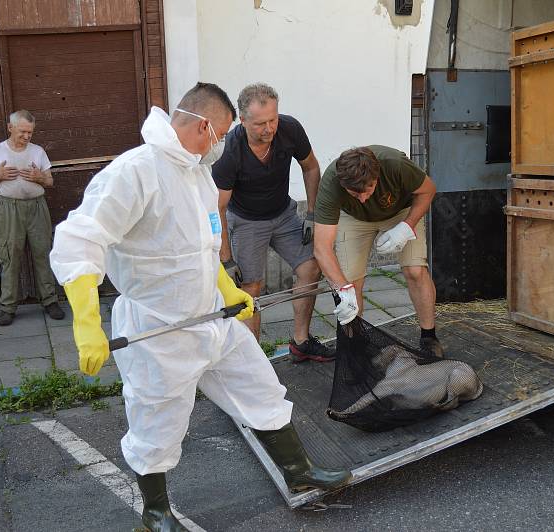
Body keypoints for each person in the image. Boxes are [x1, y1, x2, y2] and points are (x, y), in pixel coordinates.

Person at [49, 83, 350, 531]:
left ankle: (300, 472)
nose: (224, 144)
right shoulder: (134, 172)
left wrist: (230, 292)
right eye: (224, 133)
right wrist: (87, 322)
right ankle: (155, 515)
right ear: (205, 125)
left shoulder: (195, 174)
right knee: (157, 423)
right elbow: (79, 242)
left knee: (261, 389)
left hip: (213, 318)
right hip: (160, 328)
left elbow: (201, 249)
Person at [212, 83, 334, 363]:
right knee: (250, 289)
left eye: (273, 120)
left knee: (311, 267)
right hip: (246, 221)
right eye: (260, 124)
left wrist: (313, 214)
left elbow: (311, 166)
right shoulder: (230, 150)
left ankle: (301, 342)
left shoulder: (290, 129)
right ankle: (253, 361)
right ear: (242, 121)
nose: (269, 129)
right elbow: (218, 206)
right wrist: (226, 258)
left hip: (284, 214)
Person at [312, 145, 444, 359]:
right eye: (355, 193)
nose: (363, 198)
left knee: (415, 271)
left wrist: (407, 227)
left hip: (400, 212)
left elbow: (428, 190)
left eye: (369, 188)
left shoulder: (395, 164)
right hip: (353, 218)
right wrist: (342, 289)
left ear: (377, 175)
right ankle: (354, 348)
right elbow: (321, 247)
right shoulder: (331, 182)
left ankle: (429, 337)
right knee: (350, 284)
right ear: (343, 184)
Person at [0, 110, 64, 326]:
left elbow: (50, 181)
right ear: (10, 128)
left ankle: (50, 301)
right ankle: (8, 307)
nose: (27, 136)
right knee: (9, 256)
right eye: (23, 131)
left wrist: (40, 178)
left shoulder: (37, 151)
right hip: (9, 209)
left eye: (30, 132)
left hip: (37, 208)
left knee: (42, 253)